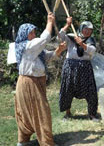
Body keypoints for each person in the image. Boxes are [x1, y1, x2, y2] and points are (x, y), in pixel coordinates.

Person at [15, 13, 67, 146]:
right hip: (28, 83)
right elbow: (44, 39)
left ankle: (26, 140)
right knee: (39, 112)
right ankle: (45, 142)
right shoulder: (26, 46)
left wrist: (59, 50)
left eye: (34, 32)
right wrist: (49, 22)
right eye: (31, 33)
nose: (33, 35)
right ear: (25, 35)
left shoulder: (35, 50)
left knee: (31, 111)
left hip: (36, 82)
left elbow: (48, 57)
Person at [59, 17, 99, 121]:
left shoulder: (91, 40)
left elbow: (92, 50)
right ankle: (67, 114)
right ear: (81, 28)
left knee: (91, 91)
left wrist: (81, 43)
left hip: (85, 67)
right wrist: (67, 24)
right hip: (70, 67)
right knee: (67, 90)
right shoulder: (71, 37)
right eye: (85, 29)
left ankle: (92, 114)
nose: (87, 31)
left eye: (90, 30)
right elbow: (60, 36)